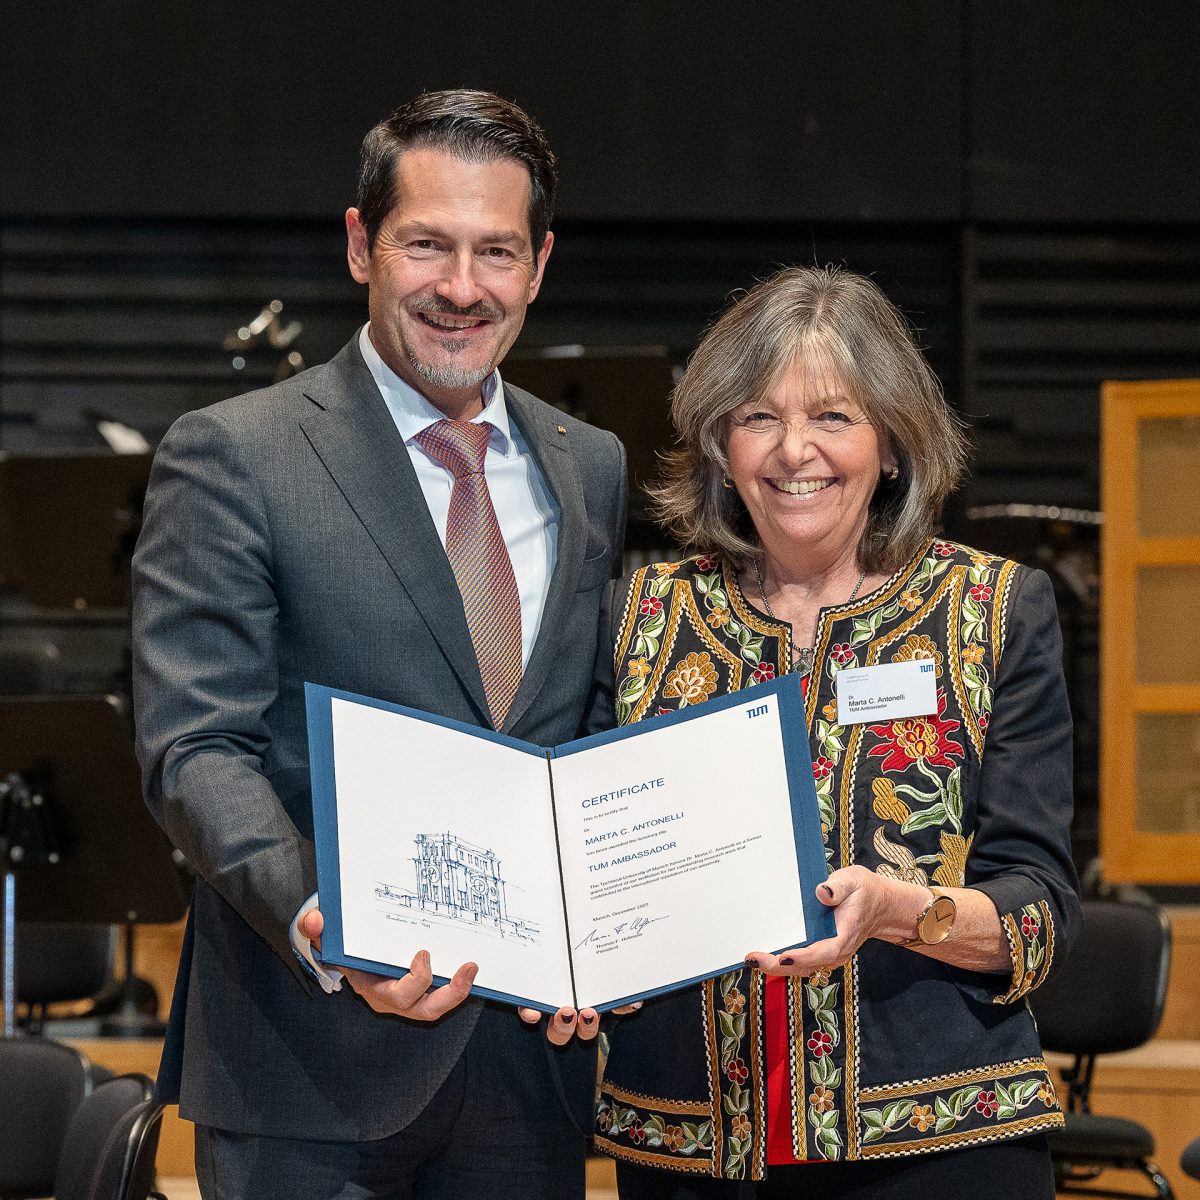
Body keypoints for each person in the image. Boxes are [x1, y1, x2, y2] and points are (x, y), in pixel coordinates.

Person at [131, 90, 627, 1199]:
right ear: (362, 246)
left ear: (539, 265)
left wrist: (609, 930)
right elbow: (195, 746)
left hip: (527, 1071)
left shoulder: (588, 462)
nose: (462, 287)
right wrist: (330, 923)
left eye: (496, 250)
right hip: (307, 1064)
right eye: (427, 245)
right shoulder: (234, 456)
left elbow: (586, 731)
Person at [592, 265, 1079, 1199]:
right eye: (759, 416)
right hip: (689, 1150)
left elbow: (1043, 912)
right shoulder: (639, 618)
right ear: (720, 444)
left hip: (942, 1146)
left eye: (834, 416)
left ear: (892, 445)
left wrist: (900, 910)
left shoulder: (991, 609)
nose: (793, 451)